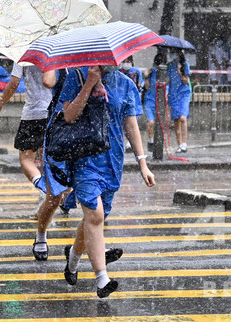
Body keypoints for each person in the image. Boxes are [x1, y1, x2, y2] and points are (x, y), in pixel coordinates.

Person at [58, 65, 156, 298]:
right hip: (84, 160)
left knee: (94, 219)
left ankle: (72, 257)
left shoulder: (126, 84)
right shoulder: (78, 76)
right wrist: (90, 84)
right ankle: (102, 279)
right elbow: (69, 116)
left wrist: (143, 163)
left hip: (112, 162)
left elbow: (131, 126)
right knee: (95, 215)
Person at [0, 61, 64, 261]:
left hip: (33, 114)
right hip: (57, 113)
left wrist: (0, 104)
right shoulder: (56, 51)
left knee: (26, 159)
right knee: (49, 160)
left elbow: (14, 83)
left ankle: (41, 186)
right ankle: (54, 188)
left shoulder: (24, 54)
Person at [167, 49, 192, 153]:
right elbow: (168, 80)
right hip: (173, 94)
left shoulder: (185, 65)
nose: (172, 54)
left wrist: (179, 71)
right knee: (176, 120)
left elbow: (186, 81)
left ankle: (185, 143)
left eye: (174, 52)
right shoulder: (169, 65)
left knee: (182, 117)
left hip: (183, 94)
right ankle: (180, 144)